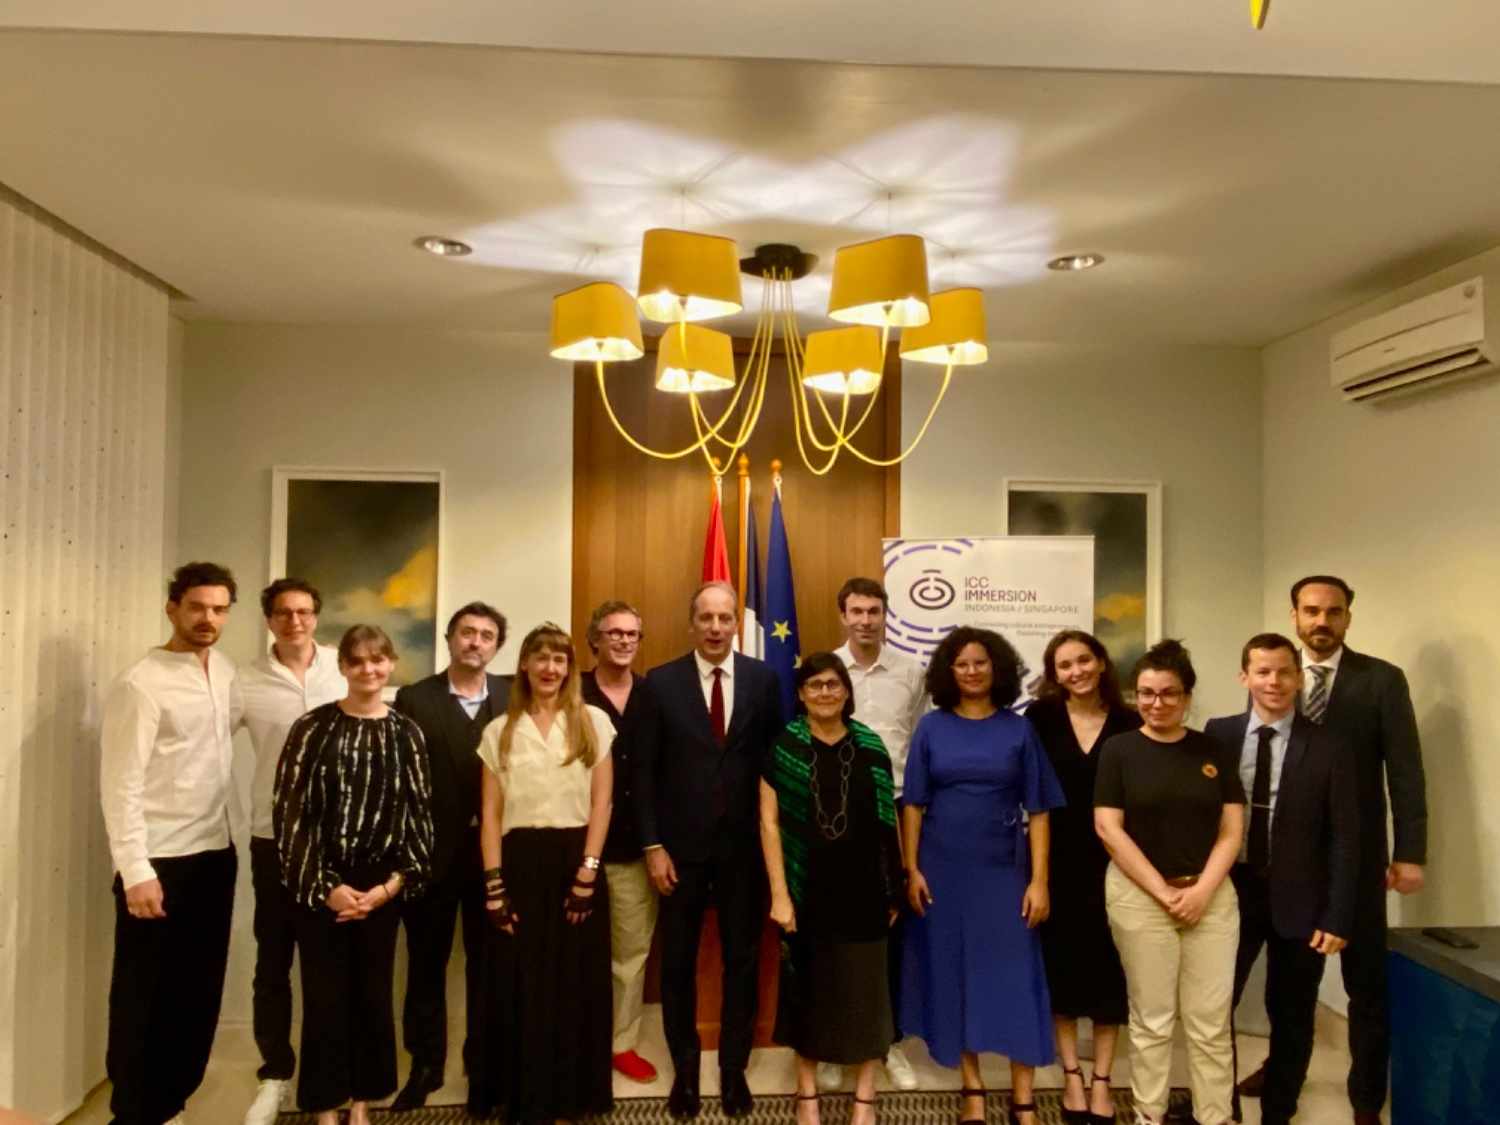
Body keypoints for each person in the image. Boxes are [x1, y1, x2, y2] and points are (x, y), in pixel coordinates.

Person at [1241, 575, 1425, 1125]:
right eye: (1311, 610)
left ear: (1348, 616)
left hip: (1358, 854)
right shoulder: (1274, 672)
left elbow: (1405, 769)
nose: (1322, 621)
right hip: (1287, 859)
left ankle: (1366, 1098)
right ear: (1295, 615)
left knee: (1365, 984)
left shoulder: (1381, 681)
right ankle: (1282, 1072)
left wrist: (1410, 851)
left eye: (1333, 611)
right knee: (1290, 983)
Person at [901, 626, 1064, 1125]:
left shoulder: (1019, 730)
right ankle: (972, 1088)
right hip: (943, 871)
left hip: (1004, 872)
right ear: (948, 672)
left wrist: (1039, 881)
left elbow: (1039, 810)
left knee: (1016, 978)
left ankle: (1022, 1095)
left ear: (997, 668)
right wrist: (911, 869)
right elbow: (913, 804)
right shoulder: (931, 728)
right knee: (956, 977)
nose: (972, 672)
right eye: (962, 664)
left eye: (980, 663)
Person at [633, 581, 784, 1120]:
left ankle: (733, 1071)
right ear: (691, 623)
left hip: (744, 850)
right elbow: (642, 773)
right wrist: (653, 845)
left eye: (725, 618)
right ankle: (686, 1072)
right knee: (677, 963)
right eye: (706, 618)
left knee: (742, 962)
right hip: (679, 851)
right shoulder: (660, 683)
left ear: (737, 624)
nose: (716, 628)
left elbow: (773, 763)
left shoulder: (764, 680)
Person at [273, 624, 434, 1125]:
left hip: (382, 884)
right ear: (342, 666)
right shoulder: (311, 728)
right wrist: (325, 888)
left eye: (378, 659)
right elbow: (290, 812)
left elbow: (419, 815)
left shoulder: (407, 733)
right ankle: (325, 1106)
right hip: (320, 881)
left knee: (372, 996)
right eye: (358, 660)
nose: (369, 669)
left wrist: (390, 888)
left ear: (391, 665)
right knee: (324, 998)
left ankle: (362, 1103)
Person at [99, 561, 242, 1125]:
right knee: (144, 995)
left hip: (214, 852)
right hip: (158, 861)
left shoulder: (224, 671)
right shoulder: (141, 683)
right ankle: (132, 1112)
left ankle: (171, 1103)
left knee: (197, 992)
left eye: (219, 609)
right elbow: (121, 783)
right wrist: (135, 869)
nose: (208, 618)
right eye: (197, 607)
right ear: (172, 609)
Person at [1206, 632, 1360, 1125]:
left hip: (1302, 900)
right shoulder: (1218, 735)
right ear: (1244, 676)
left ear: (1298, 678)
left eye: (1284, 671)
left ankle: (1279, 1111)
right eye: (1263, 671)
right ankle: (1221, 1109)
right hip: (1230, 892)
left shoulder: (1331, 745)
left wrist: (1338, 915)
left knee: (1292, 1014)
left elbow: (1345, 838)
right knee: (1214, 1009)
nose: (1273, 681)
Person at [1094, 639, 1245, 1125]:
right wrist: (1162, 892)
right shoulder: (1119, 750)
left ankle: (1214, 1117)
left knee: (1210, 1025)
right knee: (1152, 1021)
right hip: (1139, 898)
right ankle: (1149, 1116)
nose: (1156, 703)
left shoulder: (1212, 750)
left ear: (1187, 697)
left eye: (1168, 693)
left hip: (1210, 897)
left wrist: (1201, 892)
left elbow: (1232, 831)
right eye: (1146, 693)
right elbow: (1108, 829)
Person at [476, 622, 616, 1123]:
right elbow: (490, 813)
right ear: (525, 665)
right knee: (524, 986)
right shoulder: (499, 730)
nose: (550, 668)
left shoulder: (593, 721)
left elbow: (602, 803)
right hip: (519, 865)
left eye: (559, 659)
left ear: (569, 667)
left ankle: (572, 1098)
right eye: (541, 658)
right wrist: (494, 886)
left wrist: (588, 873)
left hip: (576, 860)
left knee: (575, 985)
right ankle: (527, 1099)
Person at [760, 653, 905, 1125]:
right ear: (801, 695)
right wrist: (780, 894)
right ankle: (807, 1095)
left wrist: (896, 885)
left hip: (866, 889)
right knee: (808, 994)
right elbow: (769, 823)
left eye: (833, 684)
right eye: (815, 685)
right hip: (807, 890)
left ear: (846, 691)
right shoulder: (784, 747)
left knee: (867, 994)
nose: (825, 692)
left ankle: (865, 1097)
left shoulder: (870, 745)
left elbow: (888, 820)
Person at [390, 601, 511, 1113]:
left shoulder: (513, 695)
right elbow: (400, 780)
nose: (475, 641)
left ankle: (484, 1069)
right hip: (432, 856)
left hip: (495, 858)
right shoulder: (414, 698)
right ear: (449, 638)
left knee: (491, 965)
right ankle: (425, 1066)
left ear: (497, 646)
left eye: (486, 635)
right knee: (425, 965)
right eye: (467, 632)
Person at [237, 578, 347, 1125]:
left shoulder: (342, 668)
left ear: (316, 617)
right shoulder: (244, 680)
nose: (295, 621)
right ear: (269, 620)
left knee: (331, 964)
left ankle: (331, 1078)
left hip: (336, 840)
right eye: (283, 613)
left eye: (304, 612)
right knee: (274, 961)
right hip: (273, 838)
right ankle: (276, 1073)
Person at [1025, 629, 1141, 1124]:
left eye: (1083, 660)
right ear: (1055, 675)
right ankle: (1072, 1075)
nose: (1077, 672)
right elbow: (1029, 791)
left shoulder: (1131, 721)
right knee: (1062, 972)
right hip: (1054, 860)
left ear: (1101, 662)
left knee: (1110, 975)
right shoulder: (1040, 718)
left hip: (1118, 861)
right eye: (1065, 665)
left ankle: (1102, 1081)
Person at [826, 577, 927, 1093]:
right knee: (835, 932)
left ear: (886, 615)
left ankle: (889, 1041)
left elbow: (920, 741)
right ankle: (832, 1042)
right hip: (835, 815)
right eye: (857, 611)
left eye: (874, 611)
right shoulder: (826, 671)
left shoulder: (912, 671)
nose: (865, 620)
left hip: (895, 812)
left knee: (890, 934)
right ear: (843, 616)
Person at [579, 600, 661, 1084]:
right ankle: (577, 1043)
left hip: (635, 849)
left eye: (632, 634)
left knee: (630, 956)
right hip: (577, 851)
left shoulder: (654, 695)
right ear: (595, 640)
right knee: (575, 954)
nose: (624, 641)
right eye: (614, 633)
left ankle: (621, 1044)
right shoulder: (572, 693)